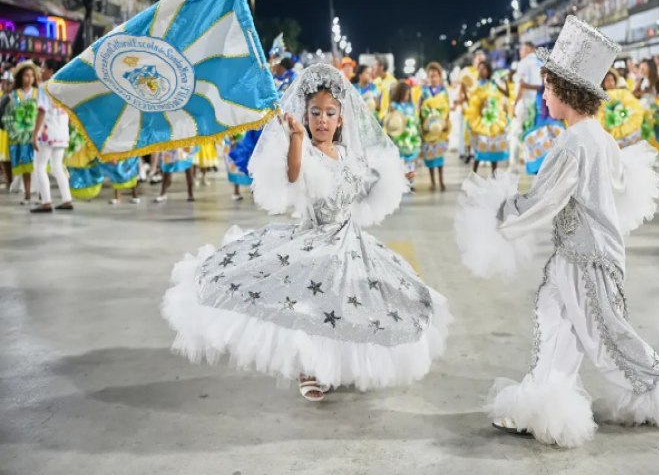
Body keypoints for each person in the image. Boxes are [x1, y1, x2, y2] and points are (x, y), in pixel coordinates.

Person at [453, 15, 659, 447]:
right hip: (574, 254)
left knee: (605, 337)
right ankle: (546, 403)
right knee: (555, 328)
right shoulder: (598, 137)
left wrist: (501, 216)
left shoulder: (573, 144)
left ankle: (657, 388)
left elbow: (544, 200)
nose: (543, 95)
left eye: (547, 87)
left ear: (565, 91)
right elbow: (619, 185)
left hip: (589, 259)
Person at [161, 63, 450, 401]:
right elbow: (294, 175)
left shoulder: (348, 155)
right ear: (306, 115)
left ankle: (332, 365)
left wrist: (389, 179)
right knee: (311, 302)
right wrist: (296, 138)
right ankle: (310, 368)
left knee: (348, 303)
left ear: (341, 118)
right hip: (315, 238)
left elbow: (366, 187)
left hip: (350, 240)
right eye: (316, 112)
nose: (323, 120)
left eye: (330, 113)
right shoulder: (305, 151)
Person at [31, 59, 74, 213]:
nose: (40, 71)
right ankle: (66, 199)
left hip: (47, 132)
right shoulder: (64, 88)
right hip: (61, 132)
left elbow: (42, 111)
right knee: (57, 167)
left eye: (42, 68)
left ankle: (46, 201)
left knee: (40, 166)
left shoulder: (44, 87)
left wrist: (34, 134)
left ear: (50, 70)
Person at [1, 61, 39, 204]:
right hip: (21, 135)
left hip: (37, 134)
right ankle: (28, 195)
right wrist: (13, 128)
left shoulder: (38, 93)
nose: (29, 79)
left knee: (39, 166)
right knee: (25, 165)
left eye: (31, 76)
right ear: (20, 78)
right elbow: (8, 115)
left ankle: (42, 195)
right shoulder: (14, 95)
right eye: (26, 76)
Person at [464, 60, 510, 176]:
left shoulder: (493, 83)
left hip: (492, 118)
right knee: (479, 148)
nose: (481, 70)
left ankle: (494, 174)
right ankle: (473, 174)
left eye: (484, 68)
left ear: (488, 71)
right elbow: (471, 100)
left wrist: (505, 81)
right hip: (480, 119)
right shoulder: (475, 84)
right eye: (479, 68)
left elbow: (507, 94)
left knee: (492, 146)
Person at [509, 42, 543, 171]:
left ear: (528, 49)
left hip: (524, 103)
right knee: (534, 132)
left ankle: (514, 165)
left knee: (516, 132)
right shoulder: (541, 63)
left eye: (521, 49)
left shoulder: (523, 63)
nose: (520, 52)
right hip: (539, 103)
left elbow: (521, 85)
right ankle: (532, 162)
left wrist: (515, 103)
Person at [384, 81, 421, 190]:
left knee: (411, 161)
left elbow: (415, 119)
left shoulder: (411, 105)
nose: (407, 96)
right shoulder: (393, 105)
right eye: (405, 94)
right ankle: (401, 182)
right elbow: (390, 121)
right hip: (399, 137)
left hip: (411, 137)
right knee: (400, 162)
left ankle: (410, 183)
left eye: (408, 94)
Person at [596, 69, 645, 148]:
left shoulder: (623, 93)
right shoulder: (600, 99)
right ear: (603, 83)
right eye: (607, 80)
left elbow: (631, 107)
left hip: (624, 128)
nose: (610, 83)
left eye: (612, 80)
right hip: (610, 132)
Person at [419, 62, 450, 191]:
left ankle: (441, 179)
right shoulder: (424, 92)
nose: (433, 79)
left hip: (440, 126)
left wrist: (446, 122)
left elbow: (447, 108)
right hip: (428, 126)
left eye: (435, 76)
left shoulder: (443, 91)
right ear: (427, 77)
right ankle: (432, 181)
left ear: (440, 77)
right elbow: (420, 108)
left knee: (439, 155)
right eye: (431, 76)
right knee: (430, 156)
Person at [0, 70, 14, 189]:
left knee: (8, 157)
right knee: (3, 158)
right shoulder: (2, 95)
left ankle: (10, 180)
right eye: (4, 83)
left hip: (10, 131)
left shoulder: (13, 97)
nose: (5, 86)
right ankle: (7, 178)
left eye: (8, 83)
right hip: (2, 131)